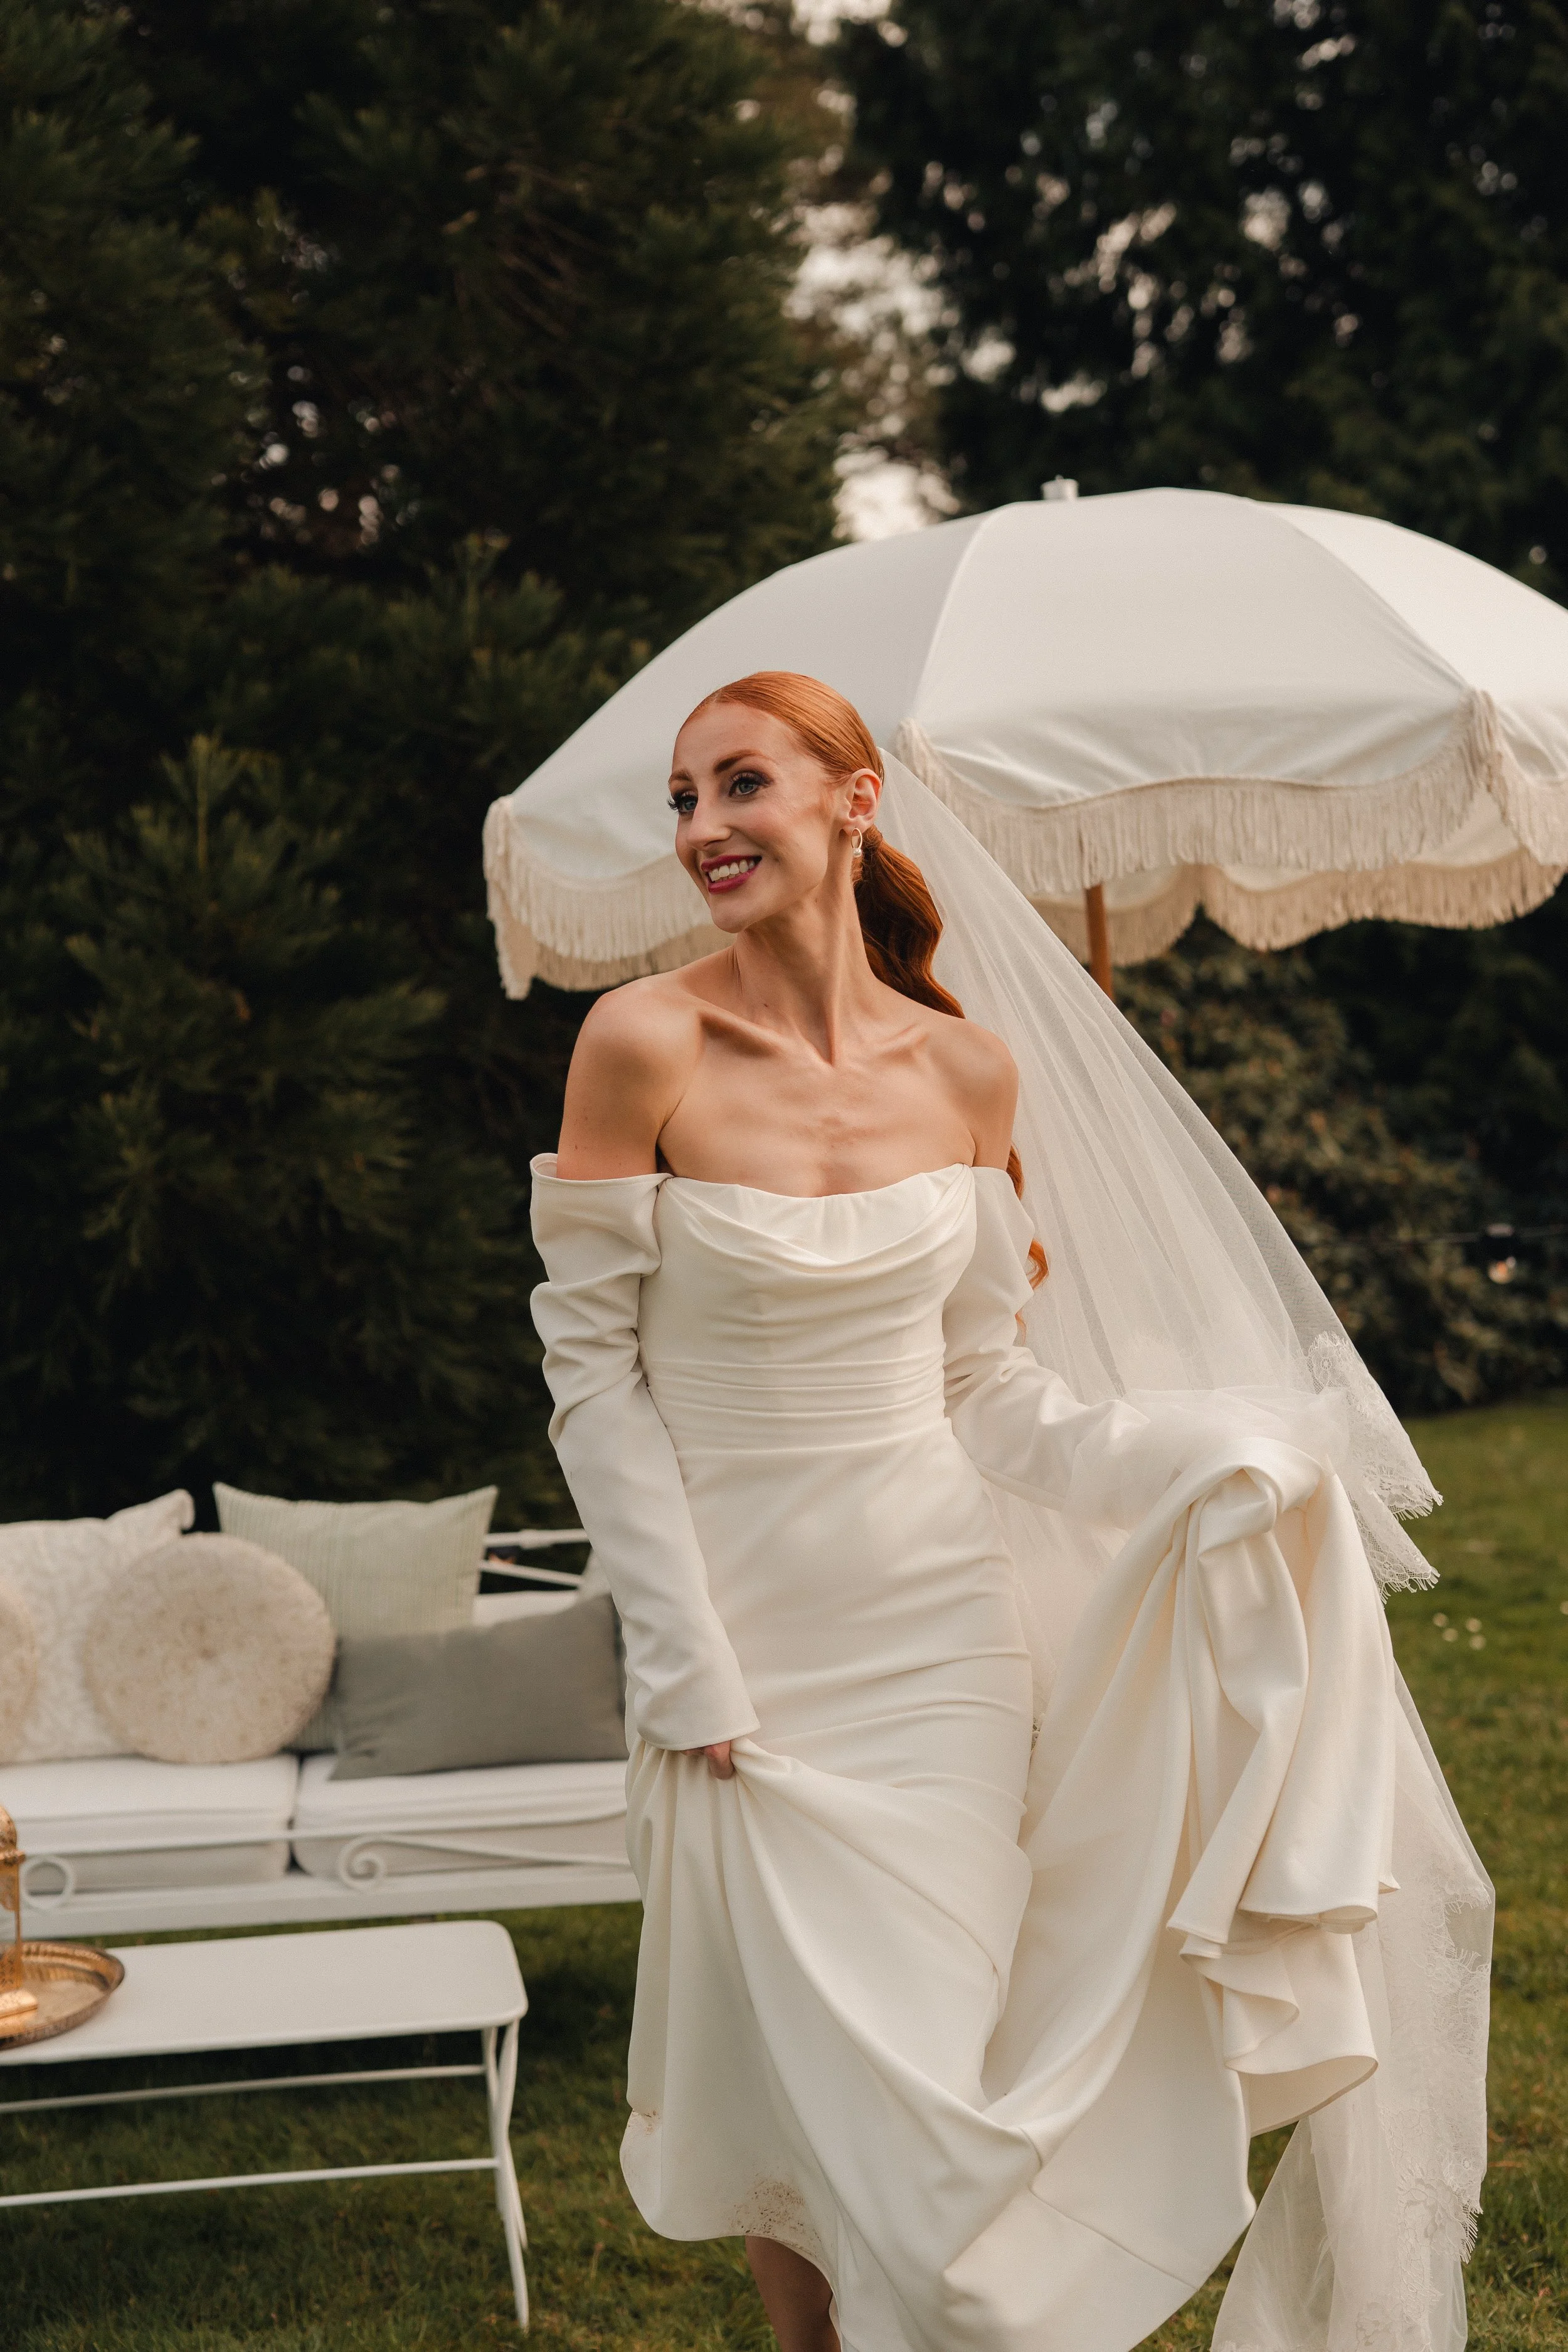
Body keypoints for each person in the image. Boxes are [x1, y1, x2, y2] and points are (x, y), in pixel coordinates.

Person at [528, 673, 1490, 2352]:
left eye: (737, 784)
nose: (698, 830)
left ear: (852, 797)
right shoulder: (640, 1042)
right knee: (805, 2098)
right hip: (740, 1647)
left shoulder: (967, 1071)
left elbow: (990, 1392)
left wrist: (1196, 1456)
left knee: (935, 2090)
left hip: (940, 1651)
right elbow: (592, 1384)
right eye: (678, 800)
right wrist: (683, 1655)